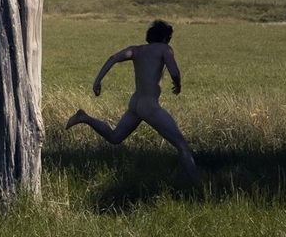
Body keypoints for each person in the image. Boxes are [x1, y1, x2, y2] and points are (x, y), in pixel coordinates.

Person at [65, 18, 198, 184]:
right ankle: (197, 186)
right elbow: (174, 72)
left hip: (136, 103)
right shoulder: (165, 49)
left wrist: (97, 81)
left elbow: (113, 57)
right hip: (149, 106)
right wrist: (177, 85)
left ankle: (84, 117)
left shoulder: (136, 50)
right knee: (182, 146)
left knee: (115, 137)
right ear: (165, 38)